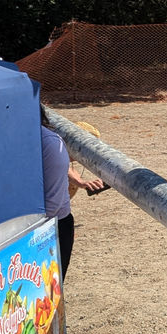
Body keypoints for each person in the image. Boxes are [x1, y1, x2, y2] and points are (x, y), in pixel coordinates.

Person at [39, 107, 105, 275]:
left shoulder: (52, 145)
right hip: (49, 222)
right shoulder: (52, 145)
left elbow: (62, 164)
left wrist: (80, 182)